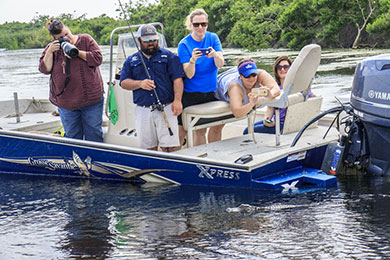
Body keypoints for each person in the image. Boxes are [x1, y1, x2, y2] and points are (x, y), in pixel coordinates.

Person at [120, 24, 185, 152]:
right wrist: (140, 84)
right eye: (147, 41)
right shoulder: (130, 60)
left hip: (167, 107)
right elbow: (124, 83)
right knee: (148, 148)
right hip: (143, 110)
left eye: (153, 40)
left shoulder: (170, 57)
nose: (151, 43)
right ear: (139, 40)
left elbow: (178, 79)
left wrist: (178, 100)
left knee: (170, 147)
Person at [39, 19, 104, 142]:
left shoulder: (85, 39)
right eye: (61, 38)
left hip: (91, 100)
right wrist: (50, 51)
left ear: (69, 29)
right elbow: (44, 69)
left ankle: (95, 160)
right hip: (66, 103)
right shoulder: (52, 48)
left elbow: (98, 58)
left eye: (66, 34)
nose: (66, 38)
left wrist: (77, 52)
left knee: (94, 133)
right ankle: (75, 160)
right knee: (72, 136)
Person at [177, 8, 225, 146]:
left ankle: (212, 155)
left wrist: (215, 55)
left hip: (210, 92)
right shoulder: (184, 44)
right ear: (191, 26)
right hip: (191, 94)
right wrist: (192, 60)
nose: (200, 27)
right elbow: (189, 74)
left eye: (203, 24)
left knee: (211, 127)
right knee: (189, 131)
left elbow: (220, 63)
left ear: (207, 25)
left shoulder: (213, 38)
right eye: (196, 25)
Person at [243, 55, 316, 134]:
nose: (282, 69)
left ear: (291, 69)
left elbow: (313, 98)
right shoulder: (275, 88)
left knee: (247, 131)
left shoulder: (298, 87)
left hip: (286, 125)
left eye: (285, 67)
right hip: (276, 122)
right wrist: (266, 120)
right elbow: (270, 108)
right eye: (279, 67)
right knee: (249, 128)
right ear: (276, 70)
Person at [214, 58, 280, 128]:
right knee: (217, 126)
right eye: (247, 76)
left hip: (232, 75)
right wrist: (251, 104)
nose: (251, 79)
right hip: (217, 87)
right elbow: (237, 113)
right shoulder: (235, 87)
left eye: (254, 75)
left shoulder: (261, 74)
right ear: (241, 76)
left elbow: (276, 88)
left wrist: (270, 94)